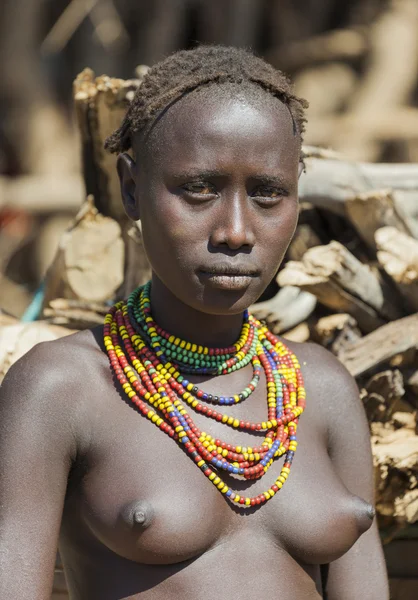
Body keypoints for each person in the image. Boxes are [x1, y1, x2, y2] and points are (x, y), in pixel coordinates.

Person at [0, 46, 389, 599]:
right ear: (132, 188)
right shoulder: (63, 388)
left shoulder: (321, 389)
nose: (235, 231)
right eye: (199, 189)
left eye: (268, 194)